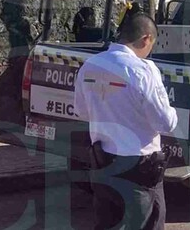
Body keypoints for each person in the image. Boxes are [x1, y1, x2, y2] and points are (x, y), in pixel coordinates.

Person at [74, 13, 178, 230]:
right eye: (152, 45)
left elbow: (82, 112)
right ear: (146, 39)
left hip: (102, 163)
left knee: (108, 224)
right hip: (138, 169)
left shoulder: (90, 66)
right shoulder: (143, 71)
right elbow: (165, 122)